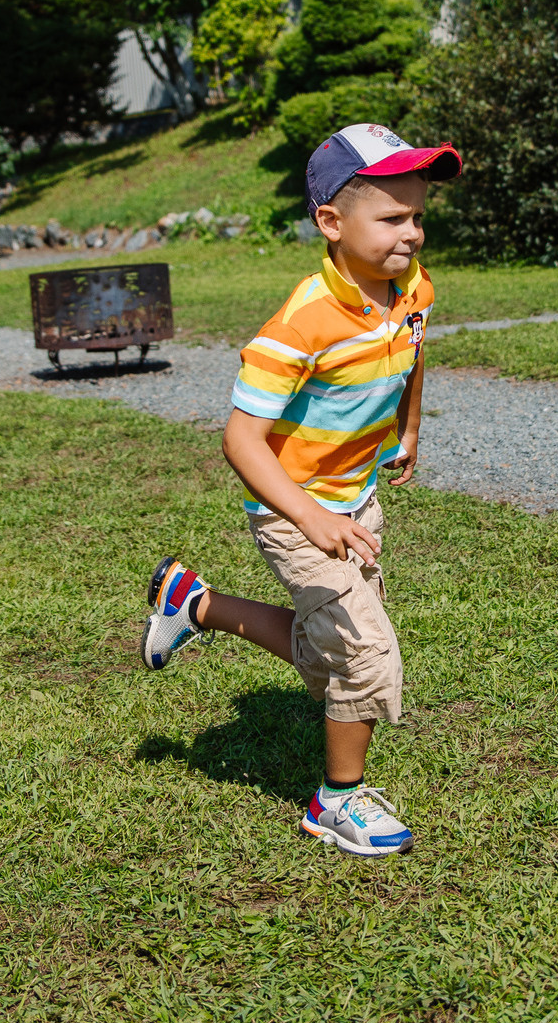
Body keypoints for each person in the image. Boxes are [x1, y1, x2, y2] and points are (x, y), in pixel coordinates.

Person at [140, 123, 461, 858]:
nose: (412, 233)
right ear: (331, 222)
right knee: (365, 653)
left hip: (355, 498)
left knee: (327, 653)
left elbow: (414, 349)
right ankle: (335, 802)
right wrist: (312, 517)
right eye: (392, 217)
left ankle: (194, 603)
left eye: (418, 216)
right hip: (294, 508)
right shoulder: (299, 324)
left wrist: (409, 425)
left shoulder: (412, 287)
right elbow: (240, 440)